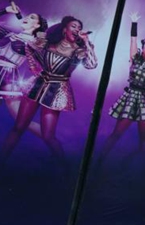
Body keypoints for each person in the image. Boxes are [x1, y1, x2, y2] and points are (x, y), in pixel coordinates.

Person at [0, 16, 97, 162]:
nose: (77, 29)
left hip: (57, 91)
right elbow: (29, 46)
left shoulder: (79, 50)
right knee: (18, 127)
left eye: (79, 27)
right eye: (74, 26)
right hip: (37, 84)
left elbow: (92, 65)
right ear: (64, 29)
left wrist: (87, 42)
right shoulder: (48, 43)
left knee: (48, 136)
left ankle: (65, 171)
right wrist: (34, 67)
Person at [97, 13, 145, 161]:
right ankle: (98, 162)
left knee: (143, 137)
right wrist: (134, 23)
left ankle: (144, 171)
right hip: (131, 96)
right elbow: (133, 40)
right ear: (143, 47)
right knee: (117, 133)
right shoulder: (135, 58)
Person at [0, 1, 48, 137]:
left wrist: (32, 80)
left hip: (8, 79)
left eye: (32, 17)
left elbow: (45, 63)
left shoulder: (35, 43)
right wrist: (6, 10)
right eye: (27, 16)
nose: (27, 18)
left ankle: (51, 140)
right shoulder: (8, 34)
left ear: (37, 25)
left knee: (20, 121)